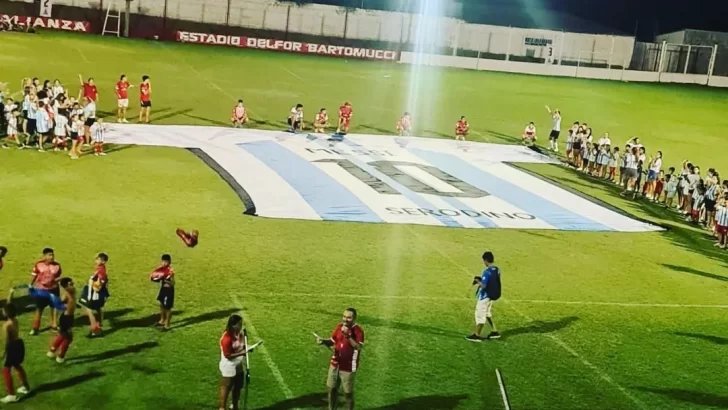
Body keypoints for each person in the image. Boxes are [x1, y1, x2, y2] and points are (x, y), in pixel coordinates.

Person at [316, 308, 364, 410]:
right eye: (344, 317)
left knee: (347, 394)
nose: (345, 319)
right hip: (335, 363)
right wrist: (323, 341)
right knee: (331, 389)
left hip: (348, 366)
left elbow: (358, 347)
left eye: (349, 318)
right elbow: (332, 341)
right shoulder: (339, 327)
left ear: (354, 319)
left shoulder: (358, 331)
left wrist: (348, 335)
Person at [1, 289, 30, 404]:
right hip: (19, 344)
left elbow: (7, 341)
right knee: (17, 365)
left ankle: (11, 395)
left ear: (5, 313)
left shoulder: (6, 325)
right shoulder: (15, 320)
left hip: (12, 346)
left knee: (6, 370)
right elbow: (9, 305)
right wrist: (11, 293)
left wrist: (3, 353)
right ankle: (25, 387)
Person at [466, 251, 502, 342]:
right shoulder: (497, 269)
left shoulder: (487, 272)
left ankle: (477, 335)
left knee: (480, 314)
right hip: (492, 296)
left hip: (485, 297)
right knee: (487, 313)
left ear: (485, 260)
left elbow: (484, 286)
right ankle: (494, 331)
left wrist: (478, 281)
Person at [30, 248, 62, 336]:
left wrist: (58, 280)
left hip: (53, 290)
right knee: (39, 308)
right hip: (41, 290)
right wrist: (30, 285)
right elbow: (34, 276)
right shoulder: (38, 264)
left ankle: (54, 325)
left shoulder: (57, 266)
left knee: (54, 307)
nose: (52, 257)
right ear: (44, 256)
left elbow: (57, 277)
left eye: (52, 255)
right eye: (49, 255)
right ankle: (35, 327)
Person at [218, 314, 247, 410]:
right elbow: (228, 355)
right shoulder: (226, 338)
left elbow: (241, 346)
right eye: (239, 324)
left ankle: (235, 406)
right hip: (229, 366)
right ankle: (222, 408)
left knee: (238, 386)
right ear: (233, 325)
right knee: (226, 387)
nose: (241, 326)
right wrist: (242, 353)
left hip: (238, 365)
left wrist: (246, 348)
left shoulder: (240, 334)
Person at [79, 253, 109, 337]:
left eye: (98, 259)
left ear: (103, 261)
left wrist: (94, 287)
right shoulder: (100, 269)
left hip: (96, 294)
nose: (96, 260)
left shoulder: (101, 271)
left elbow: (100, 284)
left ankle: (95, 329)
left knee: (89, 310)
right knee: (98, 308)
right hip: (100, 293)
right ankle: (99, 325)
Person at [47, 277, 76, 363]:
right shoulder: (66, 293)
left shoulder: (72, 292)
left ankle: (52, 351)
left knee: (63, 335)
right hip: (66, 319)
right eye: (71, 284)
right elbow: (58, 304)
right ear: (66, 286)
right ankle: (60, 357)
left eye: (73, 284)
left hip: (70, 317)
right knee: (68, 338)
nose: (73, 286)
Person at [150, 254, 175, 330]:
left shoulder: (170, 271)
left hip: (169, 290)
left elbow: (173, 283)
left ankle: (167, 324)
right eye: (163, 261)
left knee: (167, 307)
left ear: (169, 262)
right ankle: (162, 320)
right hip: (163, 289)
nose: (164, 263)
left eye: (166, 261)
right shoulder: (161, 269)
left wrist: (166, 280)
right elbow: (155, 277)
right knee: (161, 304)